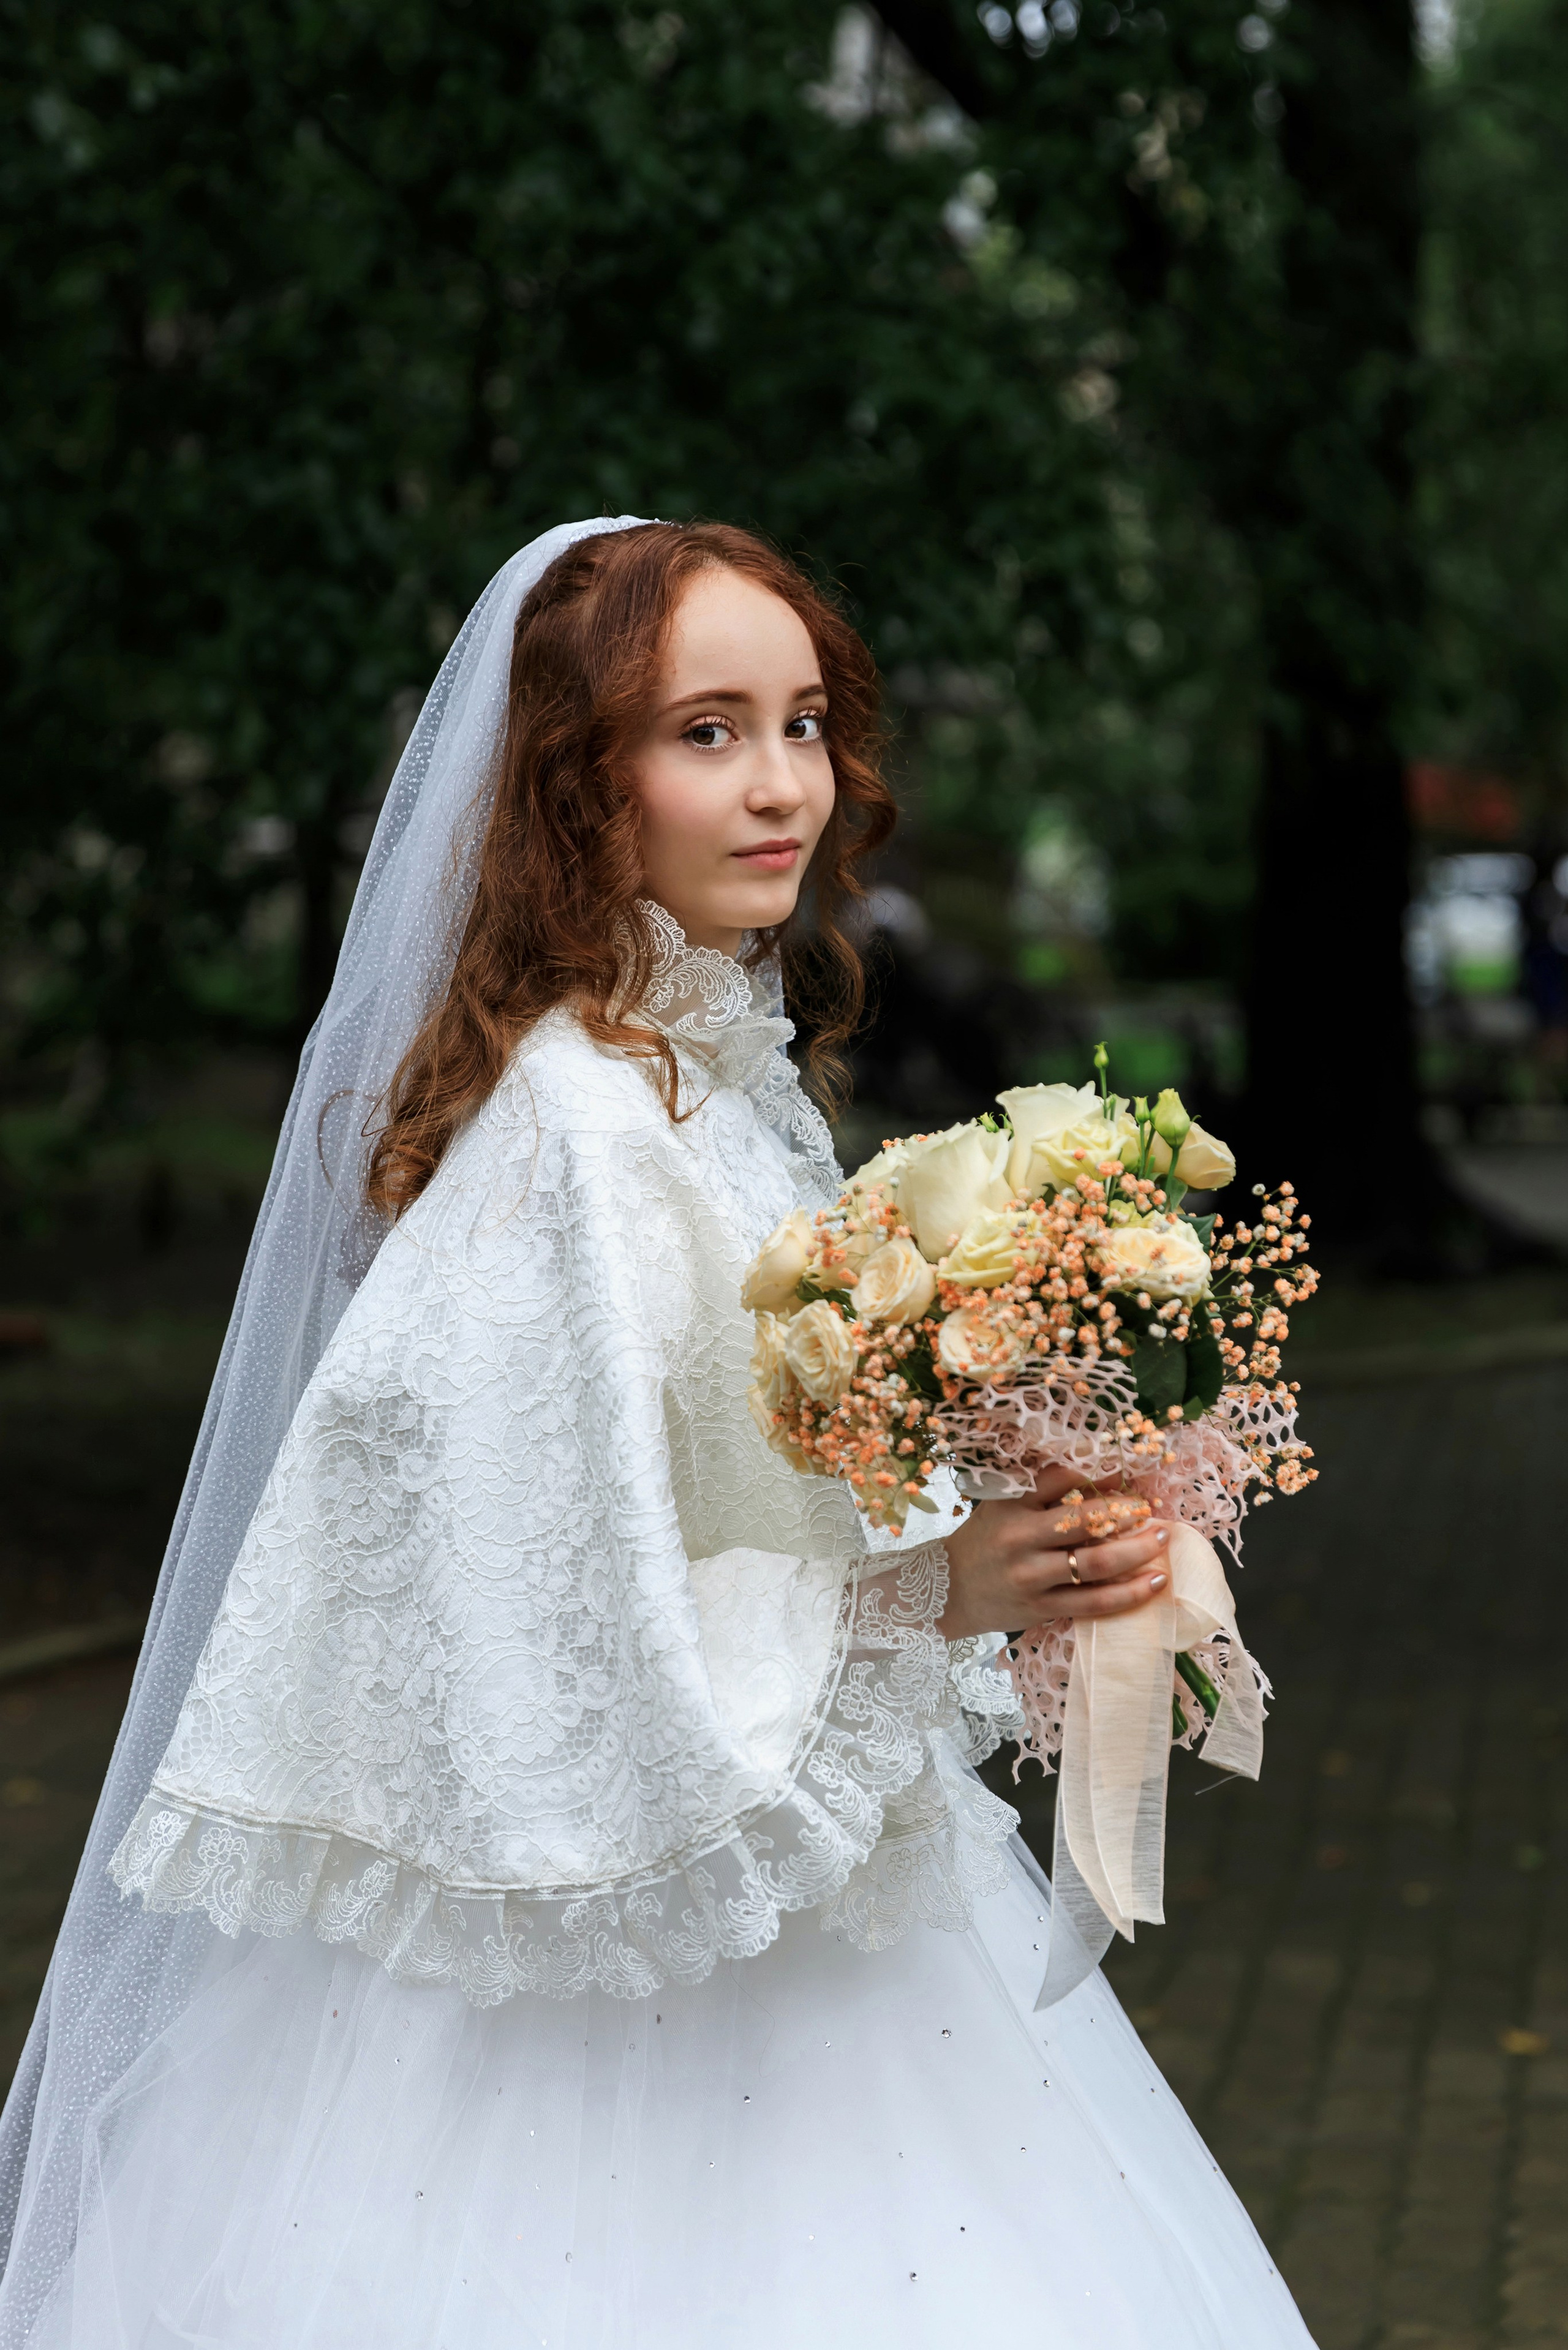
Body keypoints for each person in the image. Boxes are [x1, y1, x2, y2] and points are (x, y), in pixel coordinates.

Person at [0, 518, 1314, 2348]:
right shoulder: (571, 1134)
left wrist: (1009, 1473)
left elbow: (718, 1471)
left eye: (802, 724)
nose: (783, 785)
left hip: (801, 1945)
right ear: (573, 778)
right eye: (707, 731)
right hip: (604, 1997)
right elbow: (540, 1591)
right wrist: (931, 1593)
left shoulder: (691, 1071)